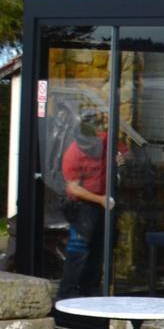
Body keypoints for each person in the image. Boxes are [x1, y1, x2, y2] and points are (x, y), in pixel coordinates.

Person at [58, 110, 116, 298]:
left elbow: (128, 154)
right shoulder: (72, 154)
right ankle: (67, 293)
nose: (90, 150)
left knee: (100, 246)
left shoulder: (107, 141)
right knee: (79, 246)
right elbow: (73, 188)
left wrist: (121, 160)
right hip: (83, 204)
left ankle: (90, 289)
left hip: (105, 201)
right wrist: (100, 200)